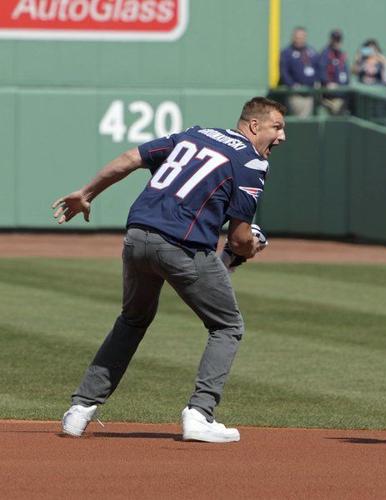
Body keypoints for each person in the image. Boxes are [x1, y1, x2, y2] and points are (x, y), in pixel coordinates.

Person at [52, 97, 287, 443]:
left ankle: (80, 410)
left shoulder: (195, 135)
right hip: (182, 245)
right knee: (227, 325)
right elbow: (238, 239)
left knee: (132, 320)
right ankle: (199, 413)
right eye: (277, 127)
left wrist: (88, 192)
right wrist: (252, 244)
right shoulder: (251, 161)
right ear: (254, 126)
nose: (281, 137)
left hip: (136, 238)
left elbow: (131, 158)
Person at [279, 27, 319, 117]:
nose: (299, 40)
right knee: (300, 119)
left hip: (309, 93)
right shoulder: (287, 53)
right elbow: (284, 72)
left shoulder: (311, 52)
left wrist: (317, 81)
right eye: (297, 37)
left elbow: (318, 68)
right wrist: (292, 85)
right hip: (295, 94)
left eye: (301, 37)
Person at [318, 29, 350, 115]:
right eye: (335, 39)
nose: (336, 42)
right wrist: (327, 83)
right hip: (331, 95)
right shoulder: (325, 53)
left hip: (342, 92)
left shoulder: (341, 54)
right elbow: (321, 71)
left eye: (338, 40)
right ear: (331, 40)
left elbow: (346, 73)